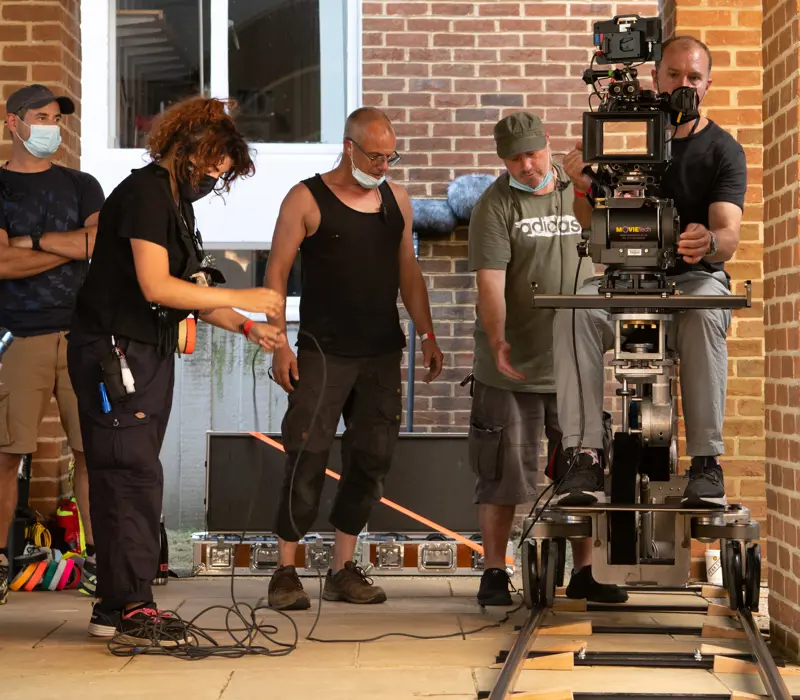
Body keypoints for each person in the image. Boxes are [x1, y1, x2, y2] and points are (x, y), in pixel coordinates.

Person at [67, 96, 285, 646]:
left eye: (224, 174)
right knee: (131, 476)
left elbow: (193, 293)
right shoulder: (144, 194)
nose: (215, 179)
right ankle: (133, 607)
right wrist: (252, 294)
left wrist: (245, 326)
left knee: (129, 475)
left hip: (145, 350)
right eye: (212, 168)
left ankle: (116, 605)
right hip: (116, 351)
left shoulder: (174, 204)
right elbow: (156, 286)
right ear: (186, 150)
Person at [264, 107, 444, 610]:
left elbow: (408, 271)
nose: (385, 164)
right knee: (306, 455)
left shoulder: (397, 200)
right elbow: (276, 273)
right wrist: (278, 340)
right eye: (376, 155)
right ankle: (285, 571)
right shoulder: (306, 198)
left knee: (372, 459)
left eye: (391, 155)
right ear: (349, 147)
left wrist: (427, 332)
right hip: (322, 351)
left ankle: (343, 567)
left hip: (381, 350)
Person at [555, 35, 747, 508]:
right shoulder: (624, 131)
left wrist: (709, 242)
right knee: (574, 312)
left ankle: (706, 462)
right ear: (656, 77)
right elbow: (591, 223)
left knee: (705, 315)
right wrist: (582, 187)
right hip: (622, 276)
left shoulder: (722, 150)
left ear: (708, 84)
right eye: (674, 74)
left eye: (694, 77)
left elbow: (728, 236)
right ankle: (583, 453)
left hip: (690, 282)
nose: (683, 84)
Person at [467, 112, 628, 606]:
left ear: (548, 145)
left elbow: (619, 242)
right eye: (515, 158)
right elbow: (490, 284)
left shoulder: (580, 188)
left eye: (533, 154)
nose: (527, 165)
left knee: (580, 471)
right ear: (502, 159)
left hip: (572, 364)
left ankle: (583, 572)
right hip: (510, 364)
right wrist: (497, 341)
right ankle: (495, 571)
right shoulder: (494, 206)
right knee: (502, 475)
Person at [0, 84, 105, 605]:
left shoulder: (82, 184)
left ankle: (100, 562)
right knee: (6, 453)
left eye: (56, 118)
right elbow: (0, 264)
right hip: (17, 337)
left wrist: (33, 243)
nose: (51, 127)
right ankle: (0, 562)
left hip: (84, 337)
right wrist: (72, 250)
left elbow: (100, 242)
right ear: (13, 123)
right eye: (40, 117)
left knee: (92, 453)